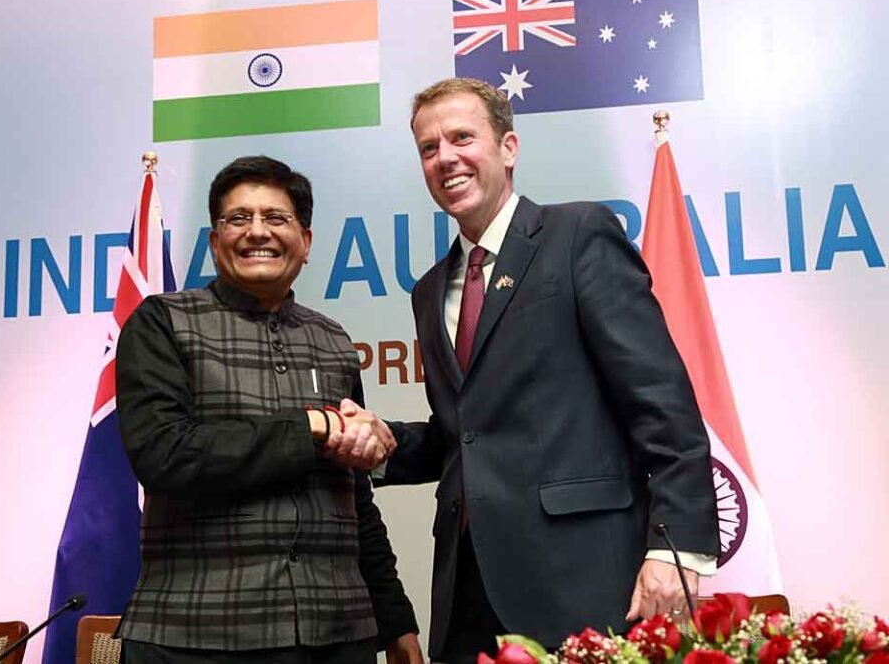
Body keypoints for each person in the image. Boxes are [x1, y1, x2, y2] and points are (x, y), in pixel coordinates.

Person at [354, 78, 720, 663]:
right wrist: (379, 446)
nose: (445, 157)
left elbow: (662, 403)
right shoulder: (429, 290)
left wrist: (676, 549)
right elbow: (465, 435)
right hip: (466, 593)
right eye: (428, 147)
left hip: (582, 585)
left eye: (461, 138)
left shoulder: (578, 236)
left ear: (509, 148)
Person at [114, 156, 423, 663]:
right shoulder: (161, 322)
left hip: (337, 636)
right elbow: (164, 454)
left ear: (306, 241)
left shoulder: (334, 341)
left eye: (276, 218)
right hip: (191, 638)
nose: (257, 231)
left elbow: (355, 497)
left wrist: (395, 620)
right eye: (239, 218)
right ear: (215, 241)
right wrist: (313, 426)